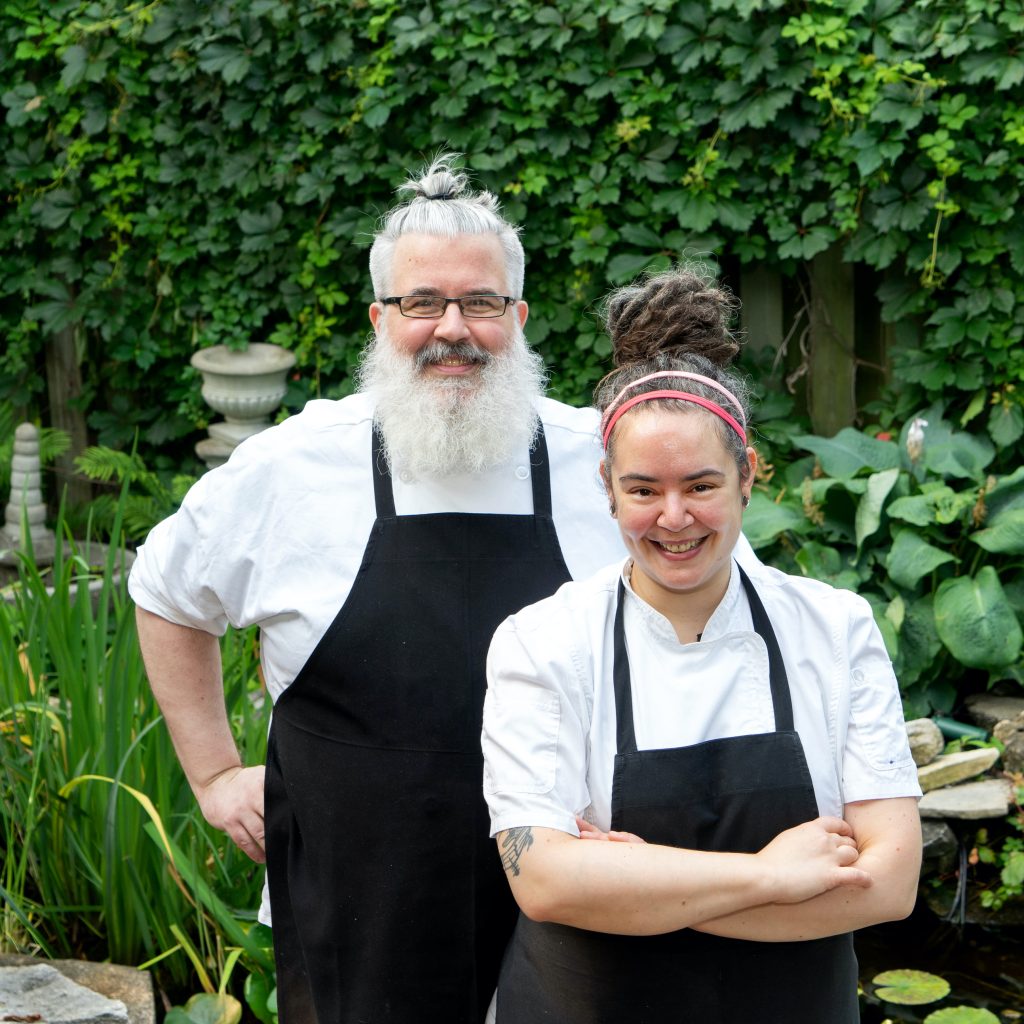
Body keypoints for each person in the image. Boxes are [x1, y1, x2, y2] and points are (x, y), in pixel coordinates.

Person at [128, 152, 647, 1023]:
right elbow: (168, 593)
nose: (453, 328)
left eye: (481, 303)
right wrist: (216, 774)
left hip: (575, 887)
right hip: (358, 901)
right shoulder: (293, 466)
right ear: (380, 318)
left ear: (518, 317)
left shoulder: (601, 456)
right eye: (422, 304)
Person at [481, 266, 923, 1023]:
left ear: (748, 475)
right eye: (644, 489)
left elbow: (889, 883)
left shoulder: (833, 629)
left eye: (701, 485)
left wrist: (631, 883)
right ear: (609, 488)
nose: (674, 517)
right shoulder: (542, 642)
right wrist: (774, 875)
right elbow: (547, 883)